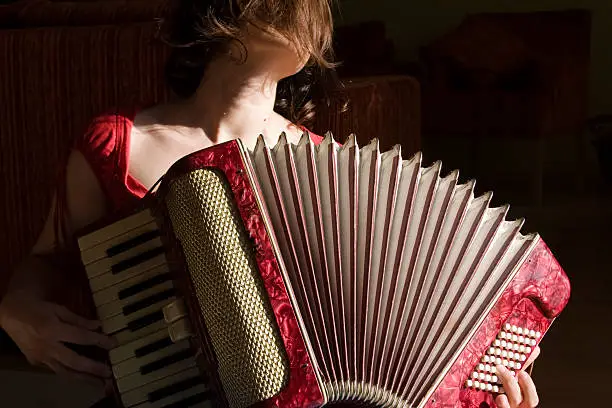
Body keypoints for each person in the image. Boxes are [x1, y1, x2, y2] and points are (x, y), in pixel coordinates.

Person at [0, 1, 541, 407]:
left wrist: (486, 372)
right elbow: (47, 261)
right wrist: (15, 310)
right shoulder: (117, 141)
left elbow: (410, 312)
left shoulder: (330, 170)